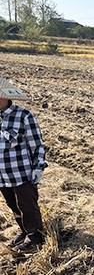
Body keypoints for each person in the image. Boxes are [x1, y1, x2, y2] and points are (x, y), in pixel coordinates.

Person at [0, 78, 47, 253]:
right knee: (13, 206)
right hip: (2, 175)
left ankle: (35, 237)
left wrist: (38, 167)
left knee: (28, 206)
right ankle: (24, 231)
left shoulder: (24, 116)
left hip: (22, 173)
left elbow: (38, 144)